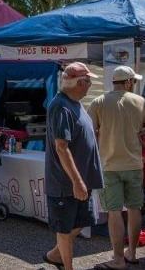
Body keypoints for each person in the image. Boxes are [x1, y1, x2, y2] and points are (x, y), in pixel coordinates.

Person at [87, 65, 145, 269]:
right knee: (134, 209)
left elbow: (89, 131)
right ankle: (131, 253)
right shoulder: (140, 101)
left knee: (114, 212)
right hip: (134, 164)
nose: (135, 84)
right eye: (134, 81)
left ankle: (118, 259)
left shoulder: (98, 102)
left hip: (109, 164)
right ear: (129, 82)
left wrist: (102, 135)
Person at [43, 63, 104, 270]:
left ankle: (54, 255)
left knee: (79, 223)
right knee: (65, 228)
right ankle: (67, 267)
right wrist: (77, 181)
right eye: (88, 81)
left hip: (82, 180)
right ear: (78, 83)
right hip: (65, 183)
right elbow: (61, 147)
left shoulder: (75, 103)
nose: (90, 85)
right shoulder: (61, 106)